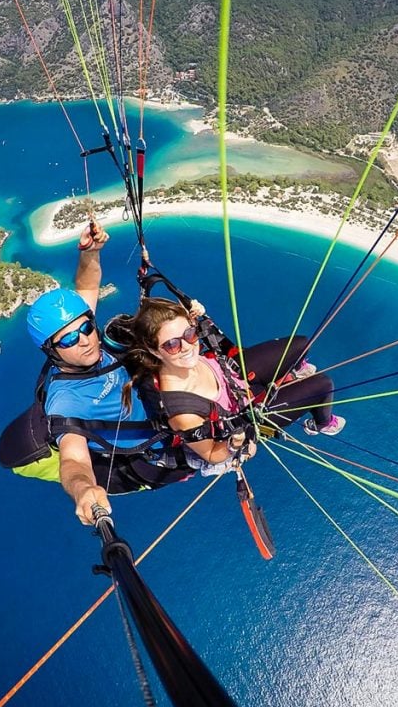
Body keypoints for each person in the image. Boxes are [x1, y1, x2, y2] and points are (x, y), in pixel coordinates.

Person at [23, 225, 192, 524]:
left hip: (161, 404)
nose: (84, 339)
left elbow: (87, 287)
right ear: (51, 351)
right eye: (68, 340)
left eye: (86, 328)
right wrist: (84, 490)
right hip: (157, 451)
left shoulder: (85, 342)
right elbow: (73, 459)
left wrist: (90, 253)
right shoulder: (65, 401)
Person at [123, 297, 345, 476]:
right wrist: (233, 446)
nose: (186, 347)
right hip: (243, 418)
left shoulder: (185, 342)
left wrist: (193, 316)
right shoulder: (182, 412)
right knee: (322, 386)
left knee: (302, 344)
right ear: (154, 351)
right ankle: (321, 423)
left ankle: (289, 374)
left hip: (232, 374)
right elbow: (210, 453)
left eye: (190, 334)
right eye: (171, 345)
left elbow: (180, 327)